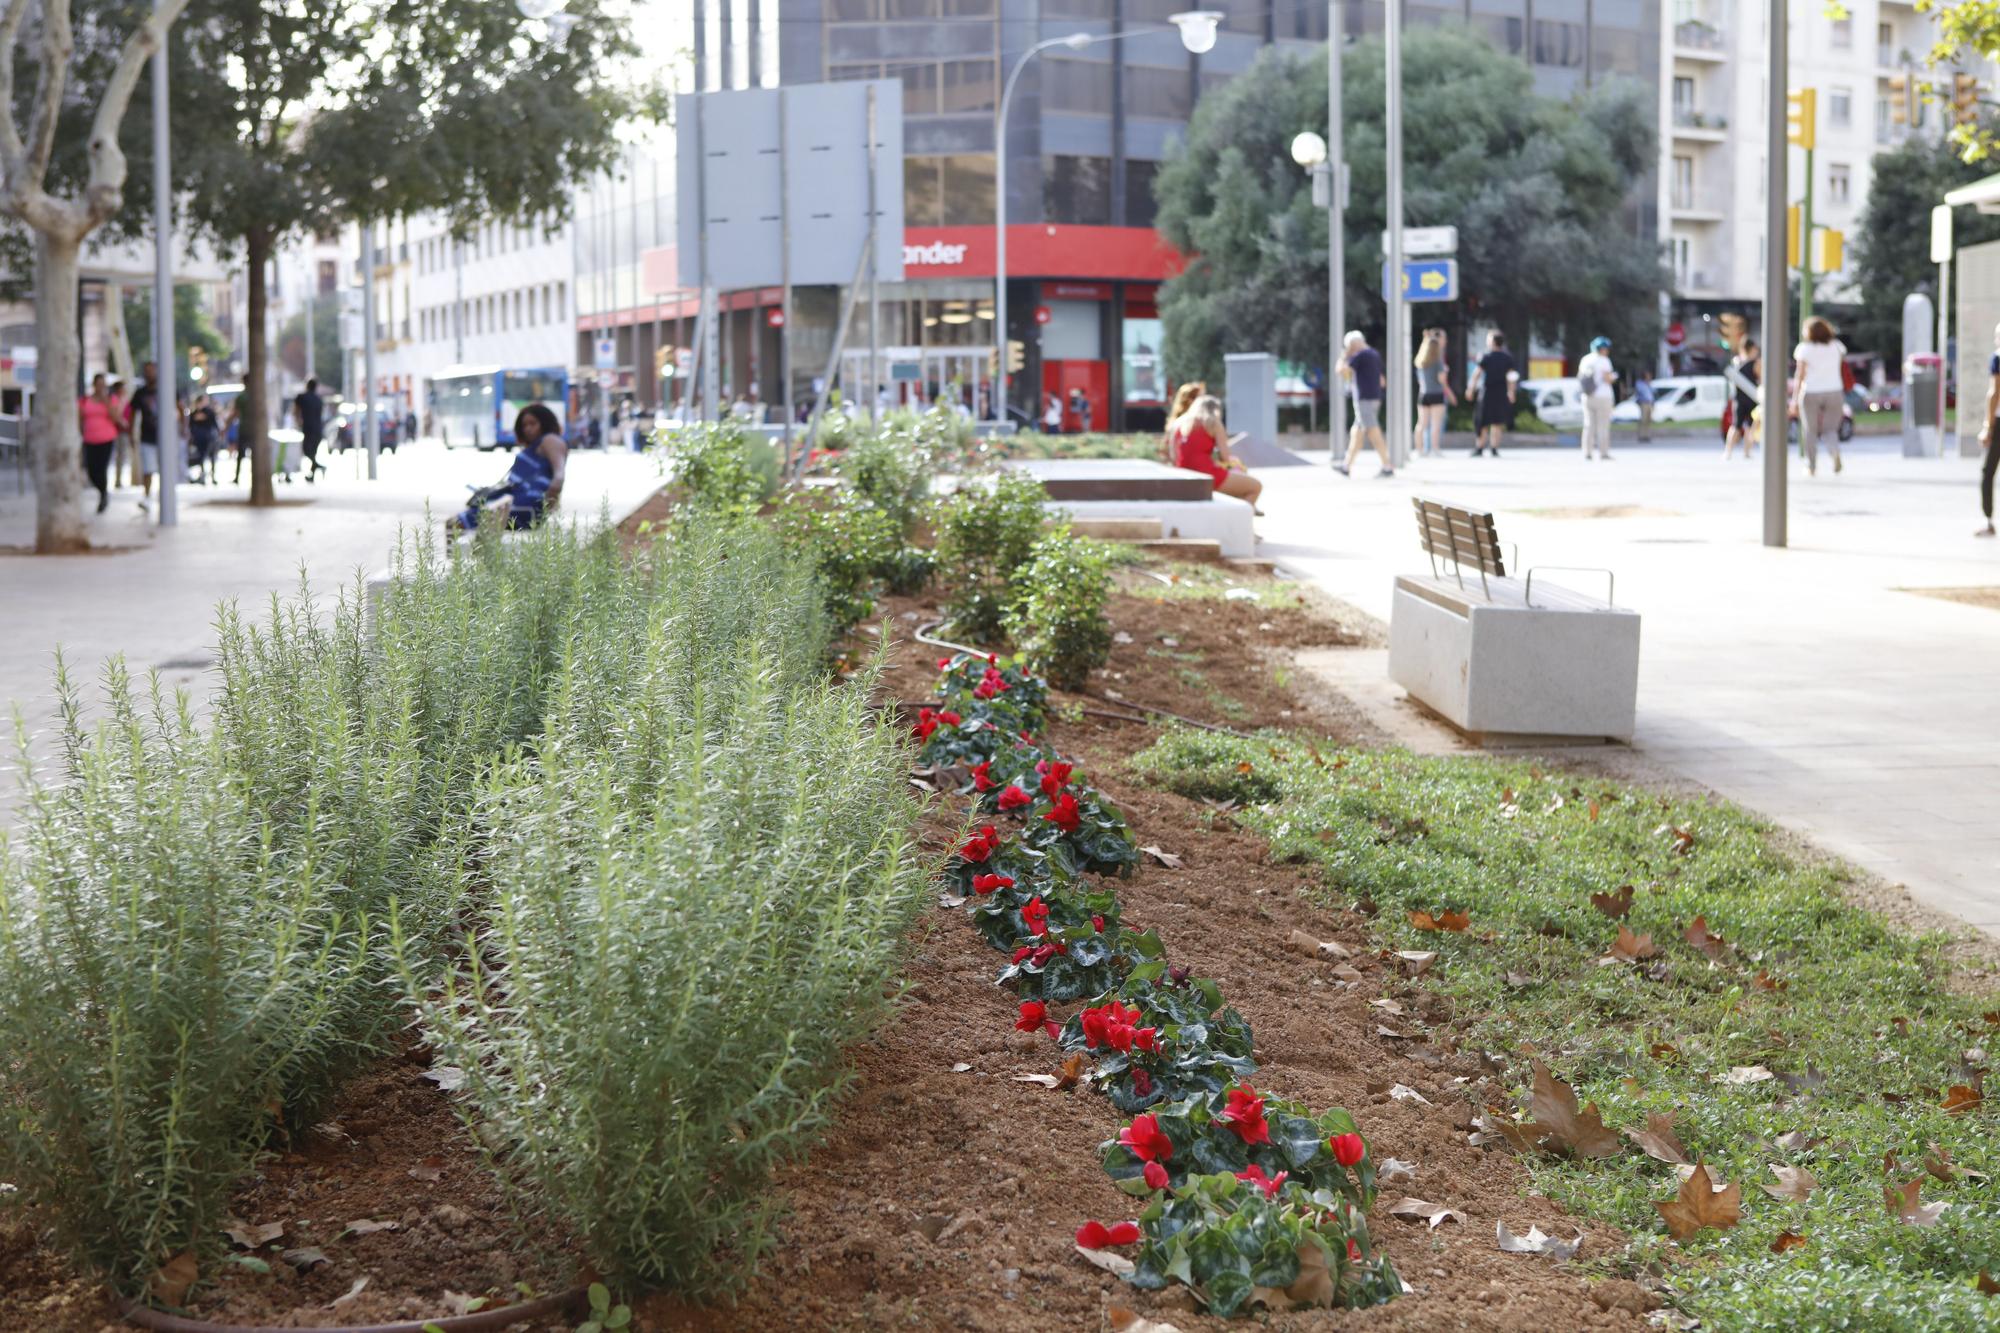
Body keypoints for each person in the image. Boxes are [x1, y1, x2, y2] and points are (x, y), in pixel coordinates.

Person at [447, 402, 567, 535]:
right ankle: (471, 555)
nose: (527, 429)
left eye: (533, 424)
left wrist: (545, 508)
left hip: (521, 508)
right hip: (511, 504)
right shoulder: (536, 445)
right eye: (524, 425)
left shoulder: (551, 440)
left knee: (454, 523)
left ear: (545, 423)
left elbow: (559, 476)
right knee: (464, 527)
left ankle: (455, 556)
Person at [1170, 393, 1262, 514]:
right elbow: (1226, 457)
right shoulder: (1213, 422)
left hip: (1184, 475)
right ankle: (1239, 519)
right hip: (1207, 475)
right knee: (1255, 487)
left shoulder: (1178, 423)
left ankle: (1243, 510)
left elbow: (1173, 456)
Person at [1791, 316, 1846, 476]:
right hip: (1834, 389)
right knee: (1830, 429)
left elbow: (1799, 375)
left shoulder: (1804, 349)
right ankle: (1834, 450)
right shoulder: (1837, 347)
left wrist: (1794, 399)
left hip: (1811, 391)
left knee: (1810, 429)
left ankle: (1811, 465)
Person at [1335, 330, 1392, 478]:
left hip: (1364, 399)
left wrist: (1344, 355)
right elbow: (1382, 380)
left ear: (1354, 344)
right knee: (1357, 433)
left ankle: (1387, 466)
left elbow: (1340, 370)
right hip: (1374, 397)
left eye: (1350, 346)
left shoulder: (1360, 355)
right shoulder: (1374, 354)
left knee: (1372, 430)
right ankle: (1346, 466)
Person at [1468, 331, 1516, 457]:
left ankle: (1480, 447)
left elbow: (1476, 374)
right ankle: (1494, 448)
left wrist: (1471, 389)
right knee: (1497, 421)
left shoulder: (1485, 356)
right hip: (1501, 392)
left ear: (1493, 342)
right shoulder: (1507, 357)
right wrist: (1511, 392)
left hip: (1487, 392)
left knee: (1482, 421)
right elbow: (1511, 377)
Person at [125, 360, 164, 512]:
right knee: (148, 469)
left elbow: (180, 408)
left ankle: (164, 496)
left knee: (165, 468)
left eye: (152, 370)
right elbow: (133, 414)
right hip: (146, 437)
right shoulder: (140, 393)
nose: (149, 373)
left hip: (164, 438)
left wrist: (183, 429)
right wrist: (130, 434)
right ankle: (147, 497)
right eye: (147, 370)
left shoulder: (166, 388)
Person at [78, 373, 118, 513]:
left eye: (103, 384)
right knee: (91, 471)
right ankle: (103, 491)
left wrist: (106, 402)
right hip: (89, 439)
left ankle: (103, 496)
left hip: (106, 439)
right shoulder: (85, 400)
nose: (101, 387)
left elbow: (115, 417)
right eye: (98, 384)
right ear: (94, 385)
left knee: (102, 469)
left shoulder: (111, 399)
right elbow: (80, 419)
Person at [1412, 328, 1455, 458]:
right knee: (1436, 424)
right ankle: (1435, 449)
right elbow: (1442, 380)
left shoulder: (1421, 361)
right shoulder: (1438, 361)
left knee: (1421, 424)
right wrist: (1451, 394)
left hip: (1423, 394)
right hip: (1437, 394)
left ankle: (1419, 450)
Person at [1577, 335, 1617, 460]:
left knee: (1588, 424)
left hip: (1587, 396)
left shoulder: (1585, 359)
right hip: (1603, 397)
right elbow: (1607, 378)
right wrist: (1613, 377)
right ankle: (1603, 452)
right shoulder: (1604, 360)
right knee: (1603, 425)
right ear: (1602, 349)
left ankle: (1587, 452)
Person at [1977, 322, 2000, 536]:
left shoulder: (1998, 358)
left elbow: (1994, 393)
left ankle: (1988, 520)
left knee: (1988, 472)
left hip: (1999, 423)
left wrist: (1987, 427)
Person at [1723, 341, 1761, 461]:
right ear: (1751, 349)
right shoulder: (1756, 363)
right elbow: (1761, 378)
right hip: (1752, 397)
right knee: (1749, 425)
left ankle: (1728, 452)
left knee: (1736, 425)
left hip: (1738, 398)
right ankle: (1746, 452)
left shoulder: (1736, 362)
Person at [293, 379, 327, 482]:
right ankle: (312, 476)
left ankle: (318, 467)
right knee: (312, 452)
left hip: (308, 428)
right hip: (318, 429)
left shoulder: (302, 397)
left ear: (307, 386)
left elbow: (295, 411)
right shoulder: (319, 399)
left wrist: (298, 421)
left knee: (307, 451)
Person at [1164, 381, 1204, 463]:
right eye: (1201, 399)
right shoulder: (1192, 423)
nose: (1204, 402)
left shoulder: (1174, 422)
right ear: (1190, 401)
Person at [186, 394, 220, 485]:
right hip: (200, 438)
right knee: (202, 457)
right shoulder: (194, 413)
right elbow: (191, 426)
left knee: (211, 457)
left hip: (209, 438)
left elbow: (214, 424)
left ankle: (211, 476)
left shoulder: (209, 412)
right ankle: (203, 476)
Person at [108, 378, 133, 488]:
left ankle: (119, 479)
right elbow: (116, 414)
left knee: (121, 456)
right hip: (116, 431)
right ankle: (117, 480)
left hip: (124, 432)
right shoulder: (115, 400)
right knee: (117, 456)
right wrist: (123, 423)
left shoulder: (124, 400)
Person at [1632, 372, 1656, 443]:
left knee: (1648, 420)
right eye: (1648, 376)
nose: (1649, 377)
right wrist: (1646, 383)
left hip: (1650, 403)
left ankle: (1647, 435)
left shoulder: (1649, 384)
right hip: (1643, 402)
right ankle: (1641, 435)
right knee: (1643, 419)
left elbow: (1653, 392)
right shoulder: (1640, 383)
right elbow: (1640, 391)